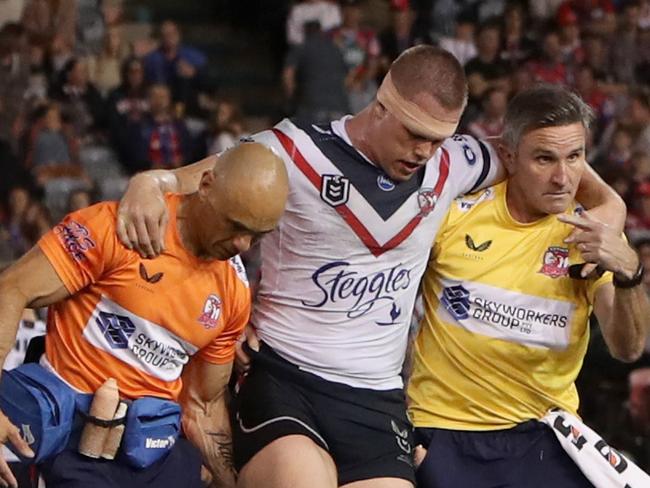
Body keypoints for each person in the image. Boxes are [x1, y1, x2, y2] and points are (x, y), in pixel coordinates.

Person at [116, 46, 624, 488]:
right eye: (414, 133)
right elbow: (186, 183)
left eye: (438, 138)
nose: (424, 151)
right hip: (285, 374)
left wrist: (612, 210)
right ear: (380, 105)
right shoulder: (293, 151)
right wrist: (147, 183)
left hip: (376, 396)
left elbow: (551, 153)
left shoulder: (455, 162)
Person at [0, 142, 289, 488]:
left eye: (257, 236)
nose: (243, 244)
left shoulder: (233, 291)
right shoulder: (118, 229)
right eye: (235, 224)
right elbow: (11, 289)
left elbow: (203, 405)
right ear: (207, 185)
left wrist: (231, 481)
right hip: (76, 452)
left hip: (155, 456)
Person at [409, 86, 650, 488]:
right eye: (544, 159)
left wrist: (629, 273)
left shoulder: (594, 234)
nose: (562, 178)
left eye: (575, 157)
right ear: (508, 156)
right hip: (444, 431)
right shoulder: (455, 216)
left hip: (543, 435)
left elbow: (628, 348)